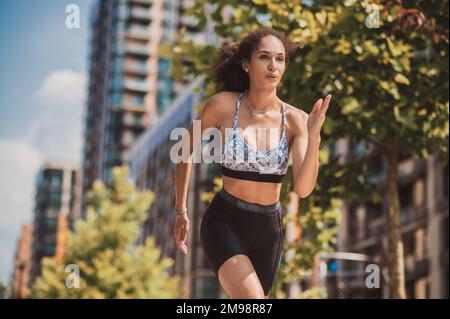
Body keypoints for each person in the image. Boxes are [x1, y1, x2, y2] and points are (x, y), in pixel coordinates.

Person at [173, 27, 332, 299]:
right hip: (224, 221)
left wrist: (314, 135)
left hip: (268, 230)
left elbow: (303, 189)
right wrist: (180, 210)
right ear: (246, 64)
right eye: (264, 57)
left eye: (280, 59)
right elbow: (184, 150)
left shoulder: (296, 120)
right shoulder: (222, 105)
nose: (273, 66)